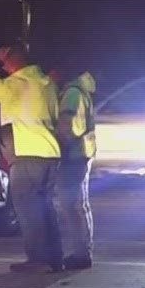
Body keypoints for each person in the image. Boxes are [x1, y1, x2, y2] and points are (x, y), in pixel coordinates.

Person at [0, 44, 62, 271]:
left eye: (5, 62)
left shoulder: (16, 84)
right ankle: (55, 258)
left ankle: (38, 260)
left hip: (27, 154)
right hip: (49, 153)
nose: (4, 67)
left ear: (14, 63)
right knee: (45, 208)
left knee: (29, 210)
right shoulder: (47, 85)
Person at [53, 69, 98, 270]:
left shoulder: (72, 93)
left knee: (71, 207)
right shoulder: (81, 91)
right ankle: (83, 251)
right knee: (79, 205)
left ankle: (80, 254)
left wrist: (57, 146)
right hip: (81, 155)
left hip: (73, 157)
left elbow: (68, 127)